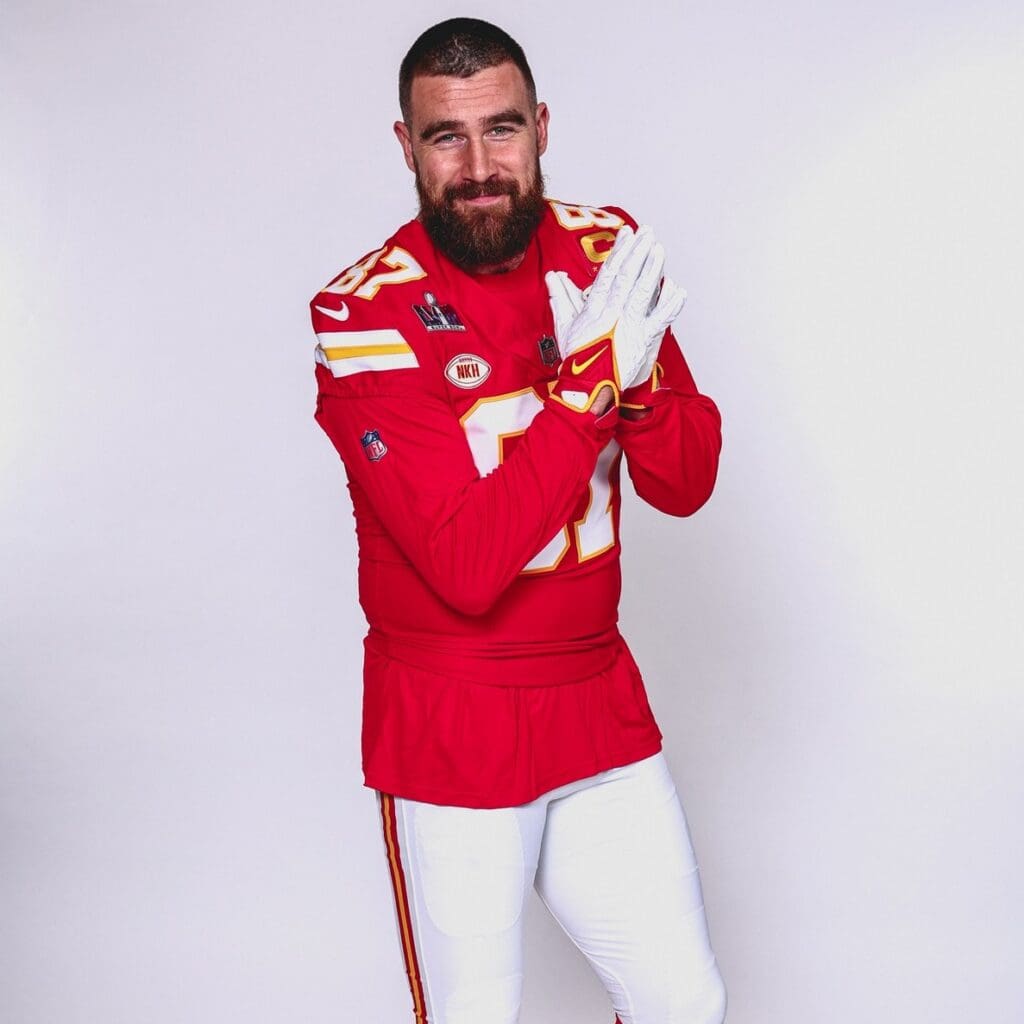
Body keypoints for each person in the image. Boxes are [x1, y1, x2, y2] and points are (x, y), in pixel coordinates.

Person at [310, 17, 726, 1024]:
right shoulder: (361, 315)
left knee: (684, 1003)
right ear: (406, 146)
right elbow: (465, 564)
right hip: (452, 716)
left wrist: (637, 386)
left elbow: (683, 483)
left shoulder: (603, 250)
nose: (479, 167)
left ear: (541, 126)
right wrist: (587, 386)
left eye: (500, 129)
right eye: (445, 137)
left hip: (595, 696)